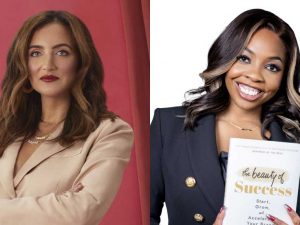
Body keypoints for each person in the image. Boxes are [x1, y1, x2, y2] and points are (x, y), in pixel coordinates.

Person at [151, 8, 300, 225]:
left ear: (284, 76)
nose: (255, 75)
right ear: (226, 56)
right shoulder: (169, 127)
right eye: (244, 58)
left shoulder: (295, 140)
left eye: (271, 66)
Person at [0, 10, 133, 225]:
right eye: (35, 53)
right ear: (23, 62)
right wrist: (59, 203)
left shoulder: (109, 131)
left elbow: (80, 212)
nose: (48, 64)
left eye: (62, 52)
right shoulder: (5, 126)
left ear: (81, 61)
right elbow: (66, 211)